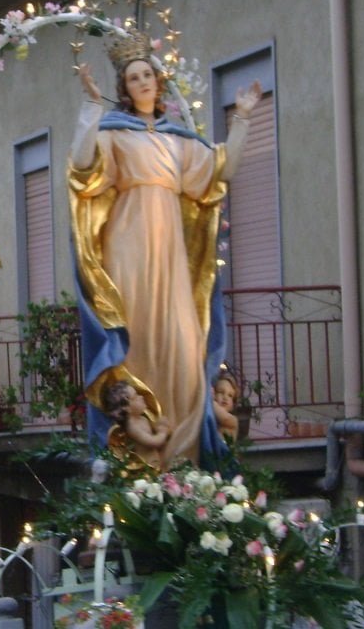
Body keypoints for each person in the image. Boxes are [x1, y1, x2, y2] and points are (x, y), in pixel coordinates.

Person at [70, 29, 260, 469]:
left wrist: (244, 118)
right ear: (125, 88)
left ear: (158, 82)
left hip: (172, 254)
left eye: (147, 75)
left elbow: (222, 171)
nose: (143, 82)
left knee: (185, 342)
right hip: (128, 246)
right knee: (136, 336)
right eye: (134, 78)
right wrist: (91, 105)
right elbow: (82, 166)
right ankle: (138, 452)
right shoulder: (116, 135)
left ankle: (183, 455)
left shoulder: (180, 141)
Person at [100, 381, 171, 471]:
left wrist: (159, 426)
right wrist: (162, 432)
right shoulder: (132, 427)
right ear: (127, 408)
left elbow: (153, 434)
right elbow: (152, 442)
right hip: (147, 468)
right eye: (136, 396)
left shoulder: (143, 419)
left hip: (156, 463)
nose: (141, 397)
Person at [210, 372, 242, 440]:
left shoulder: (233, 420)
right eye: (221, 392)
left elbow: (224, 418)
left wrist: (209, 399)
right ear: (214, 394)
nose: (225, 397)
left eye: (230, 395)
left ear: (233, 405)